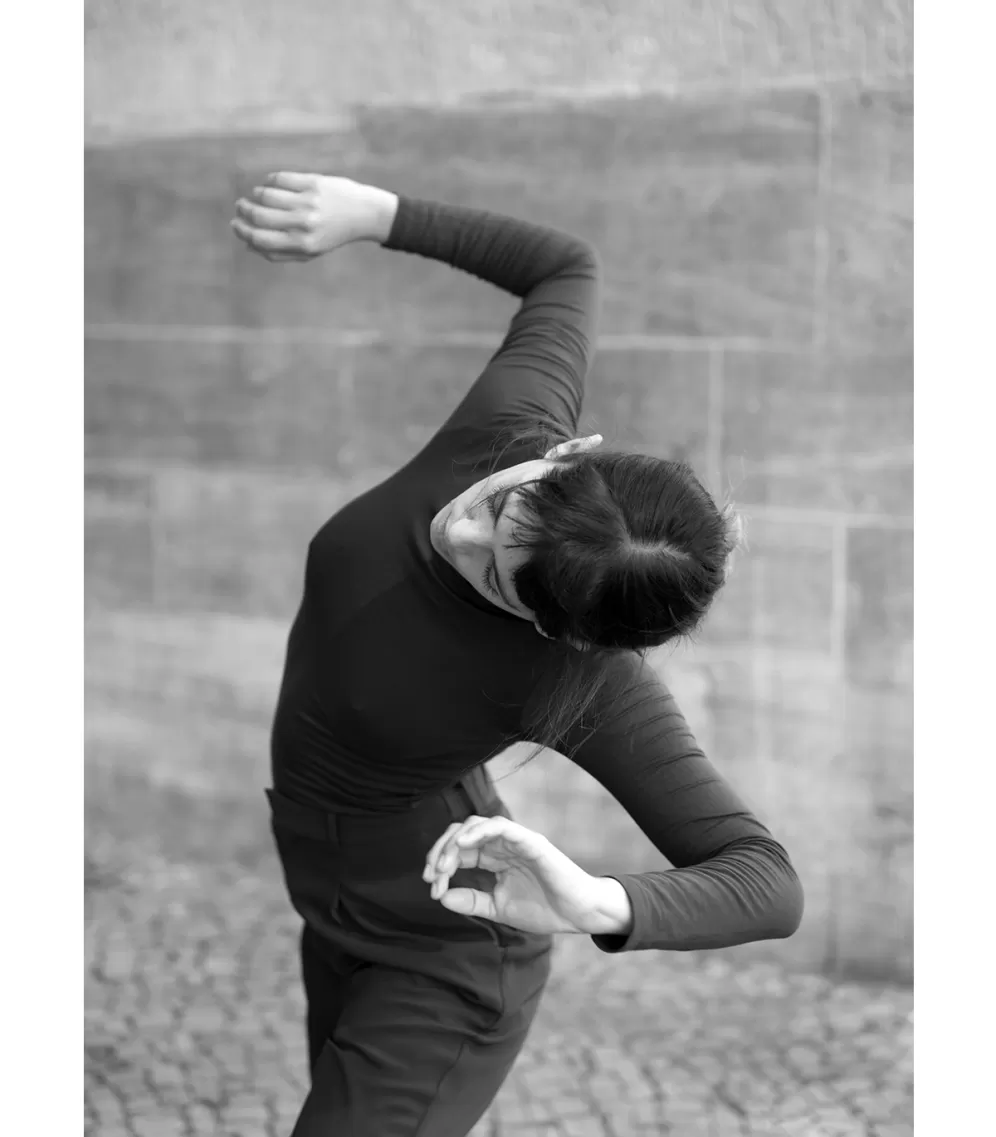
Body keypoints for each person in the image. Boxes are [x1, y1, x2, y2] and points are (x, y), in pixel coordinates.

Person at [230, 173, 804, 1137]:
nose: (459, 531)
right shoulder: (509, 426)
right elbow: (564, 264)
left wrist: (594, 899)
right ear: (572, 448)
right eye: (507, 506)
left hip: (442, 960)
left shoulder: (577, 679)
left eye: (497, 578)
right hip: (332, 910)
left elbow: (767, 881)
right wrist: (378, 216)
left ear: (557, 631)